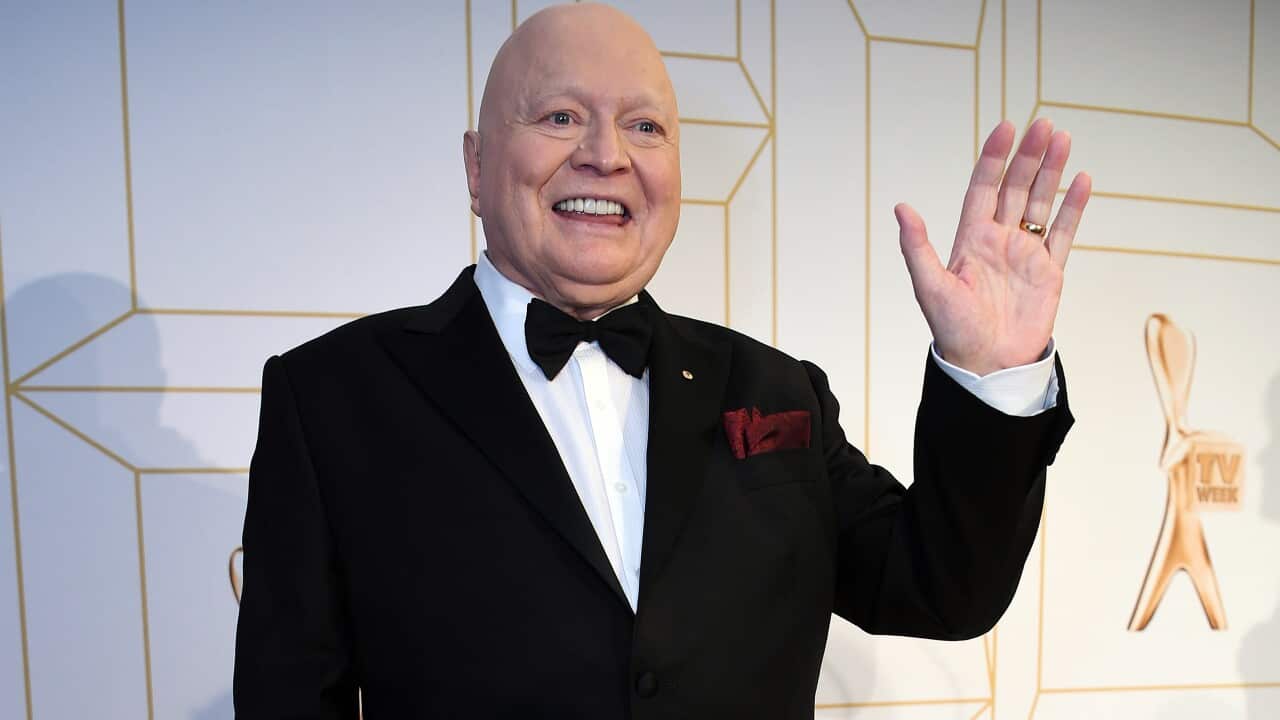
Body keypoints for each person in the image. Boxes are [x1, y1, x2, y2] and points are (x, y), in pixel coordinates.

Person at [232, 3, 1091, 719]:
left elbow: (946, 588)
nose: (607, 154)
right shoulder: (334, 398)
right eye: (561, 116)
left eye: (645, 126)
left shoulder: (775, 388)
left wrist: (992, 376)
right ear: (477, 164)